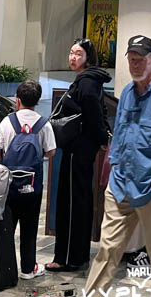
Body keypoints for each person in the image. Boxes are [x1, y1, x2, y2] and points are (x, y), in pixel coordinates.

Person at [56, 35, 151, 297]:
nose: (135, 63)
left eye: (141, 58)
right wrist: (114, 165)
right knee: (106, 251)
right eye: (131, 58)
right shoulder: (127, 92)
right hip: (121, 185)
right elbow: (121, 132)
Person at [47, 38, 111, 273]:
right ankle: (77, 256)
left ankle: (68, 258)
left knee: (72, 202)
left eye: (78, 54)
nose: (72, 57)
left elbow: (93, 113)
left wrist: (101, 138)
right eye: (71, 53)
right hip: (84, 148)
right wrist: (101, 137)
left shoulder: (86, 82)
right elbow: (100, 112)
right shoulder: (91, 80)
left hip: (78, 148)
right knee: (80, 200)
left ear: (88, 58)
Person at [0, 79, 56, 278]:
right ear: (37, 101)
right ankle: (28, 269)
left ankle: (5, 269)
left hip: (9, 184)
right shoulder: (43, 124)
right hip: (32, 184)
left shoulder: (7, 121)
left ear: (17, 99)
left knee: (7, 227)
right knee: (29, 228)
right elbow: (51, 152)